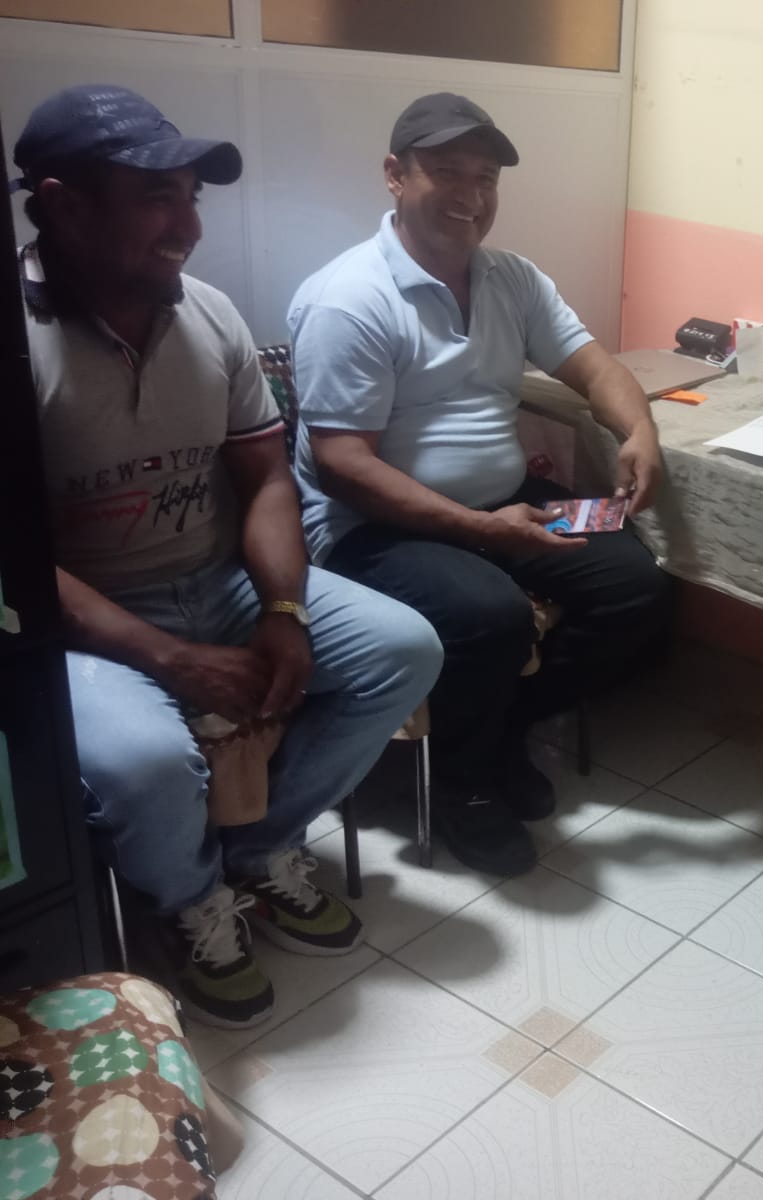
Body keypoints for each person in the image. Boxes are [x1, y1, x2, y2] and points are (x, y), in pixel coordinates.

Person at [12, 86, 444, 1028]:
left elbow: (267, 480)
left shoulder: (208, 315)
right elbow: (14, 562)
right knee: (147, 762)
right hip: (80, 621)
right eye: (157, 199)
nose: (189, 228)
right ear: (62, 205)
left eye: (192, 198)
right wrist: (169, 659)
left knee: (403, 648)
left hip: (220, 579)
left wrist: (283, 611)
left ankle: (258, 848)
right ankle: (189, 899)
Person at [288, 93, 671, 877]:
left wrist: (639, 432)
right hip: (373, 528)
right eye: (447, 171)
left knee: (636, 586)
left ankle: (502, 728)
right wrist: (483, 531)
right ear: (395, 175)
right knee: (489, 614)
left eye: (486, 177)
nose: (471, 194)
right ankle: (465, 786)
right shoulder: (348, 299)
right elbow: (343, 466)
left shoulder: (511, 278)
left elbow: (595, 368)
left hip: (505, 503)